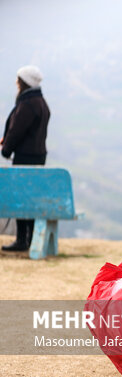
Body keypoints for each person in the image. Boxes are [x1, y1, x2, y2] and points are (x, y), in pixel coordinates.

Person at [1, 65, 51, 252]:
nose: (16, 82)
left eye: (18, 79)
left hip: (24, 158)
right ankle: (29, 238)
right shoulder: (41, 102)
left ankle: (23, 240)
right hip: (38, 156)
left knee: (22, 200)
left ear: (23, 82)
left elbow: (17, 130)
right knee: (32, 200)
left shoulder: (27, 104)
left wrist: (6, 149)